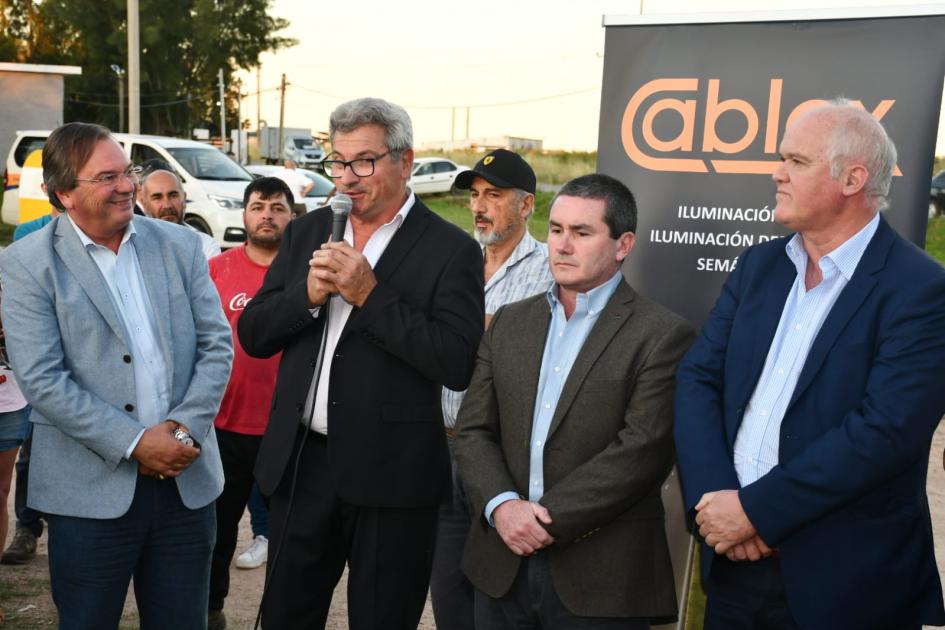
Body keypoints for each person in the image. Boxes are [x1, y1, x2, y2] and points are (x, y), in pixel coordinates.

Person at [674, 101, 945, 630]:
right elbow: (698, 377)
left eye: (796, 161)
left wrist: (755, 512)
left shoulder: (922, 290)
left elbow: (884, 433)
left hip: (846, 584)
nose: (777, 173)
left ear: (853, 178)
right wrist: (717, 505)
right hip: (731, 568)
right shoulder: (760, 265)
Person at [238, 97, 484, 630]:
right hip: (303, 464)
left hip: (393, 477)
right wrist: (302, 295)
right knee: (285, 615)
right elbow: (254, 335)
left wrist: (372, 296)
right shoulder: (307, 231)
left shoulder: (452, 249)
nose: (348, 178)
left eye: (364, 162)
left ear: (405, 161)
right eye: (339, 162)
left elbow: (456, 361)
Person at [0, 122, 233, 629]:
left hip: (185, 484)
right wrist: (134, 443)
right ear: (62, 193)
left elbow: (217, 346)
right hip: (86, 495)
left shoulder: (179, 245)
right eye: (107, 177)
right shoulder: (26, 263)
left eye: (127, 171)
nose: (127, 185)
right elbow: (41, 378)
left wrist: (179, 432)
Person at [454, 173, 694, 630]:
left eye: (582, 233)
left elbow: (643, 450)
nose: (562, 246)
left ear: (623, 244)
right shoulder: (510, 321)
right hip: (500, 565)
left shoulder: (662, 335)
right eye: (557, 229)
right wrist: (504, 507)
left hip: (602, 576)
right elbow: (473, 430)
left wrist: (543, 521)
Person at [432, 148, 553, 630]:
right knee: (447, 592)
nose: (480, 206)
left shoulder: (550, 269)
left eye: (494, 196)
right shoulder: (455, 261)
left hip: (502, 457)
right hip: (440, 446)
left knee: (495, 599)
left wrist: (463, 329)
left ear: (526, 206)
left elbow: (529, 347)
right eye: (476, 196)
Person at [206, 176, 294, 630]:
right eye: (258, 206)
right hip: (224, 426)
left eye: (278, 207)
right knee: (217, 532)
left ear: (291, 216)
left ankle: (280, 616)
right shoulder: (217, 269)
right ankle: (211, 609)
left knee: (289, 538)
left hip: (287, 430)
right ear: (244, 214)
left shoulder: (304, 273)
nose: (267, 215)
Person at [0, 211, 64, 566]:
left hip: (12, 391)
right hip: (26, 380)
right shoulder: (28, 234)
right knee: (31, 455)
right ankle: (29, 527)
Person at [137, 168, 221, 259]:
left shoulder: (205, 246)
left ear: (184, 198)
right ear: (144, 204)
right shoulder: (133, 247)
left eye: (173, 196)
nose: (167, 205)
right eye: (157, 198)